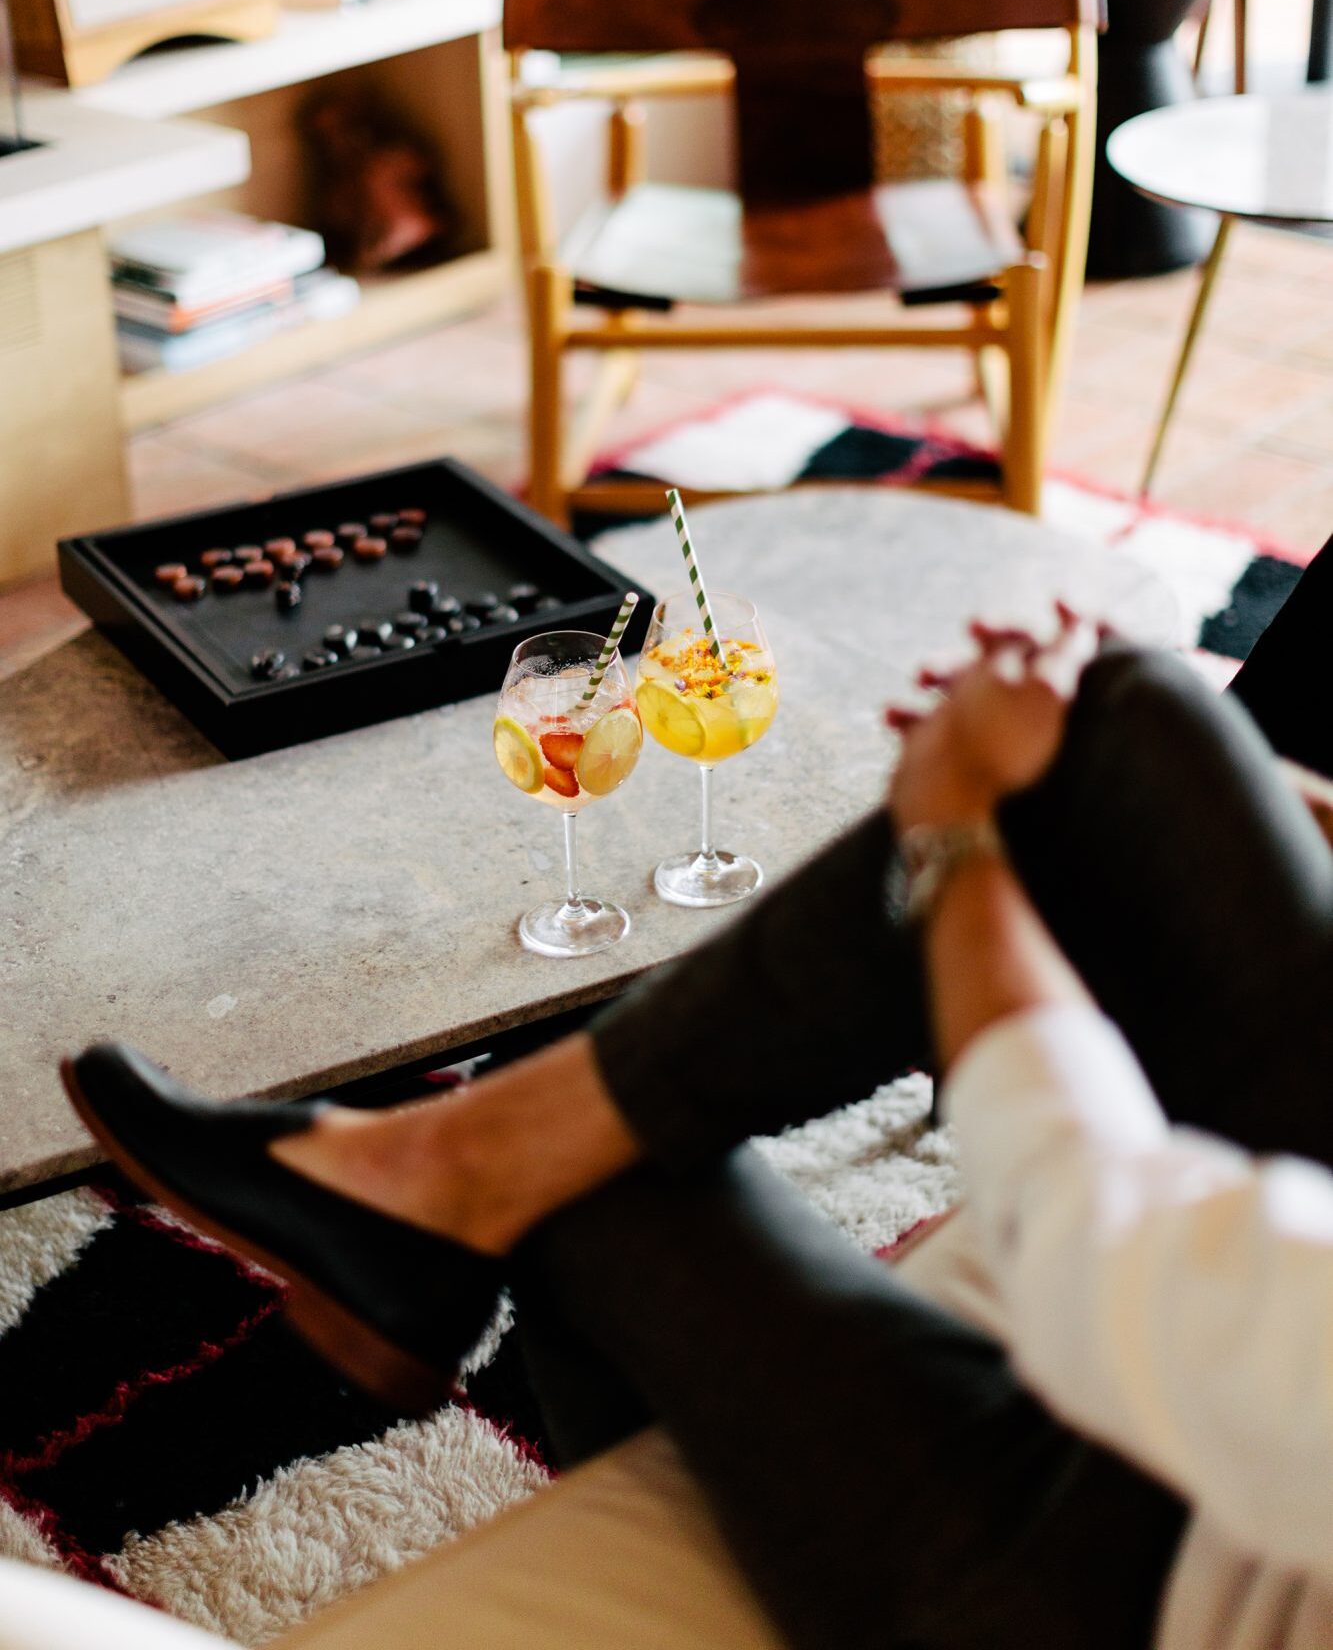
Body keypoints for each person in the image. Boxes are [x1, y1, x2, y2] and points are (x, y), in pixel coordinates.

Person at [63, 607, 1333, 1650]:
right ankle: (429, 1190)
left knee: (583, 1155)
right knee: (1131, 723)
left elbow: (1092, 1237)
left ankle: (435, 1189)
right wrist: (1137, 810)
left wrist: (957, 835)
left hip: (1126, 1583)